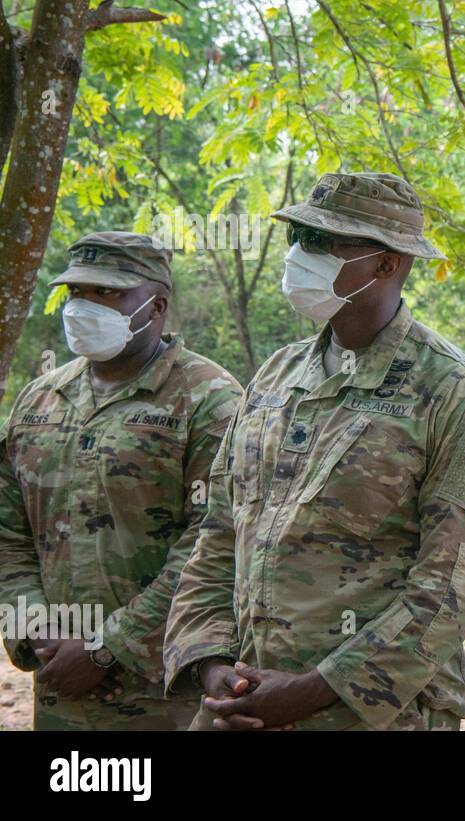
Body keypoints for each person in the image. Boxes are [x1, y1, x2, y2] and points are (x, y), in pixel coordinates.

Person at [163, 172, 465, 730]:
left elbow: (454, 582)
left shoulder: (456, 394)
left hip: (372, 715)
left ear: (386, 264)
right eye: (300, 239)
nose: (303, 255)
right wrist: (209, 664)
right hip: (239, 706)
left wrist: (316, 690)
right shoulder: (274, 378)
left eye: (327, 243)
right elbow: (218, 535)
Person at [0, 231, 242, 729]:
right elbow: (8, 531)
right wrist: (34, 628)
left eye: (106, 293)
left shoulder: (210, 400)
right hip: (58, 686)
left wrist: (107, 647)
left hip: (167, 689)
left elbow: (215, 542)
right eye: (76, 292)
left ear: (155, 307)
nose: (83, 306)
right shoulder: (38, 401)